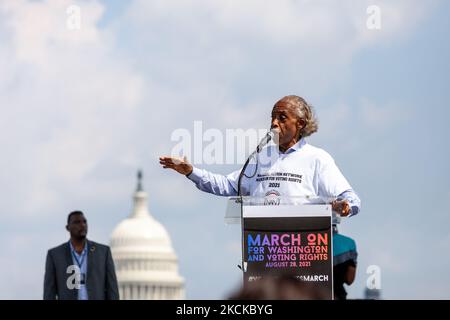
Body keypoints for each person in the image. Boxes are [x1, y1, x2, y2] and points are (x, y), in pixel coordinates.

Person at [160, 95, 361, 216]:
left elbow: (350, 199)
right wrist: (190, 171)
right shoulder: (260, 158)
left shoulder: (317, 158)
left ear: (299, 124)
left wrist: (344, 207)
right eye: (272, 117)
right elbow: (229, 185)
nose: (274, 123)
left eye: (282, 118)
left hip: (304, 251)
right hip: (263, 253)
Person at [43, 211, 119, 300]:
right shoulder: (55, 255)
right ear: (68, 228)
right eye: (77, 222)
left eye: (84, 222)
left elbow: (112, 289)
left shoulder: (103, 252)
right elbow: (49, 292)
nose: (82, 225)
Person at [332, 220, 357, 300]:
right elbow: (349, 280)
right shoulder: (349, 243)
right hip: (338, 294)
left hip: (312, 292)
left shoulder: (307, 241)